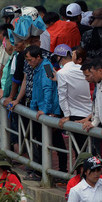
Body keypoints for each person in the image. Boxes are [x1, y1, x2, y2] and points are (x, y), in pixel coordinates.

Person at [27, 45, 65, 178]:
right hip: (41, 110)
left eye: (30, 60)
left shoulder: (47, 67)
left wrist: (46, 110)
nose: (29, 63)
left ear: (38, 57)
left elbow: (48, 89)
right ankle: (44, 171)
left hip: (48, 112)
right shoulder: (39, 67)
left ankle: (60, 171)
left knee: (54, 141)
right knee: (43, 141)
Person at [55, 44, 92, 158]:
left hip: (75, 115)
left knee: (79, 152)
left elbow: (62, 96)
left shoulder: (61, 73)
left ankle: (81, 175)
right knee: (90, 149)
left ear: (59, 57)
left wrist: (66, 115)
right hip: (90, 113)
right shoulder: (81, 68)